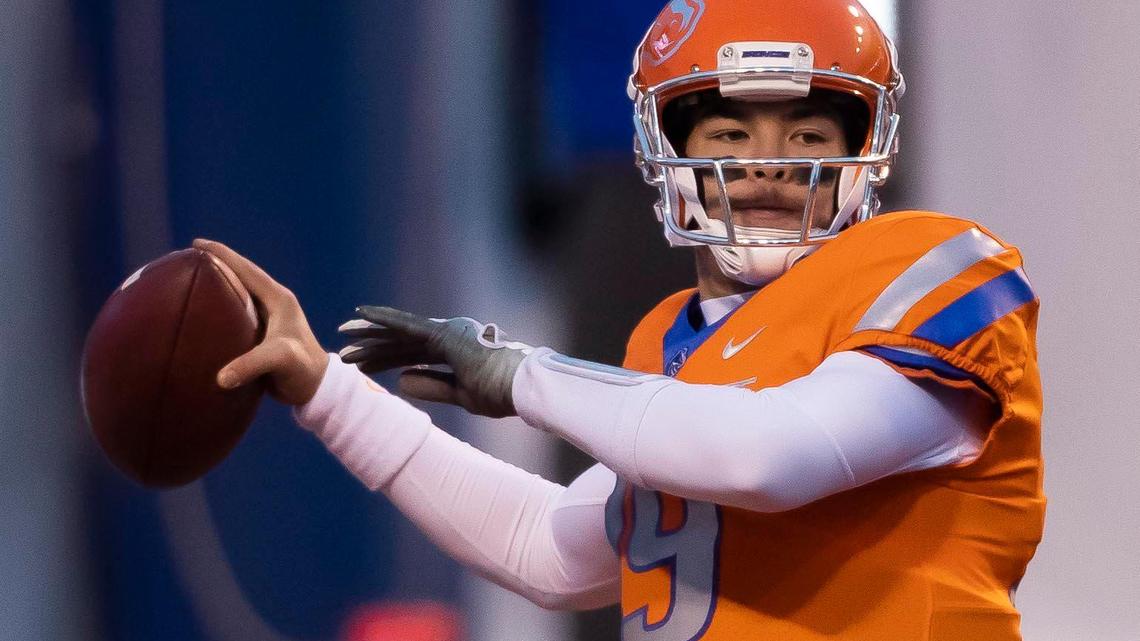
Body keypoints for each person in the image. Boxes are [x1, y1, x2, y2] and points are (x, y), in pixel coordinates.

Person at [197, 0, 1044, 638]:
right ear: (666, 156)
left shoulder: (937, 272)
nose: (768, 165)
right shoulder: (674, 356)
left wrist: (521, 374)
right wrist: (327, 392)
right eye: (728, 133)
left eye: (811, 132)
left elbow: (762, 456)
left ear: (867, 152)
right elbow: (546, 546)